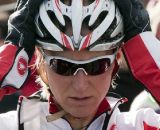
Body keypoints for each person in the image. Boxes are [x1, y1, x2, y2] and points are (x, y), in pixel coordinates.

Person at [0, 0, 160, 130]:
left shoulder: (140, 125)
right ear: (41, 62)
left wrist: (140, 43)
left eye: (96, 66)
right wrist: (14, 47)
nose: (80, 86)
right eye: (63, 66)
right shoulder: (10, 126)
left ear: (116, 61)